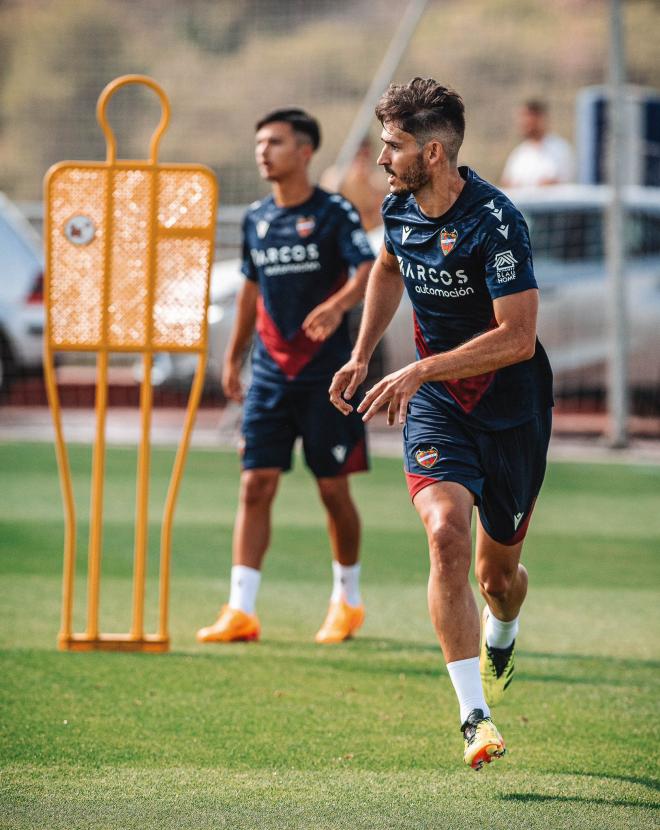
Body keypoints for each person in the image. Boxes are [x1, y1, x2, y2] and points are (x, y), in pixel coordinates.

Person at [330, 78, 553, 770]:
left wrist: (421, 367)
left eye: (392, 147)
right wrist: (364, 352)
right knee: (445, 534)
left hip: (512, 409)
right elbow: (388, 269)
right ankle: (474, 716)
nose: (381, 161)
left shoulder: (498, 221)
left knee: (497, 577)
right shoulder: (398, 209)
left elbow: (517, 337)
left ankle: (505, 627)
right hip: (439, 406)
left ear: (431, 151)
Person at [197, 108, 375, 646]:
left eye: (274, 142)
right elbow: (251, 291)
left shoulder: (334, 212)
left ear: (304, 151)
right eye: (259, 142)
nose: (263, 151)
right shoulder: (256, 219)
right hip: (271, 376)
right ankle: (240, 610)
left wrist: (337, 305)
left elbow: (369, 270)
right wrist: (233, 358)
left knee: (332, 490)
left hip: (328, 377)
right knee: (255, 484)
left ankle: (347, 600)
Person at [501, 99, 574, 188]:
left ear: (540, 118)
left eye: (528, 117)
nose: (523, 123)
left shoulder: (560, 149)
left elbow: (560, 182)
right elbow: (507, 182)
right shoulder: (519, 153)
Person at [320, 137, 388, 231]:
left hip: (370, 234)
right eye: (358, 155)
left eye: (366, 155)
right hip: (342, 234)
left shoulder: (377, 182)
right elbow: (325, 210)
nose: (362, 160)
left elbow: (381, 219)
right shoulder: (335, 177)